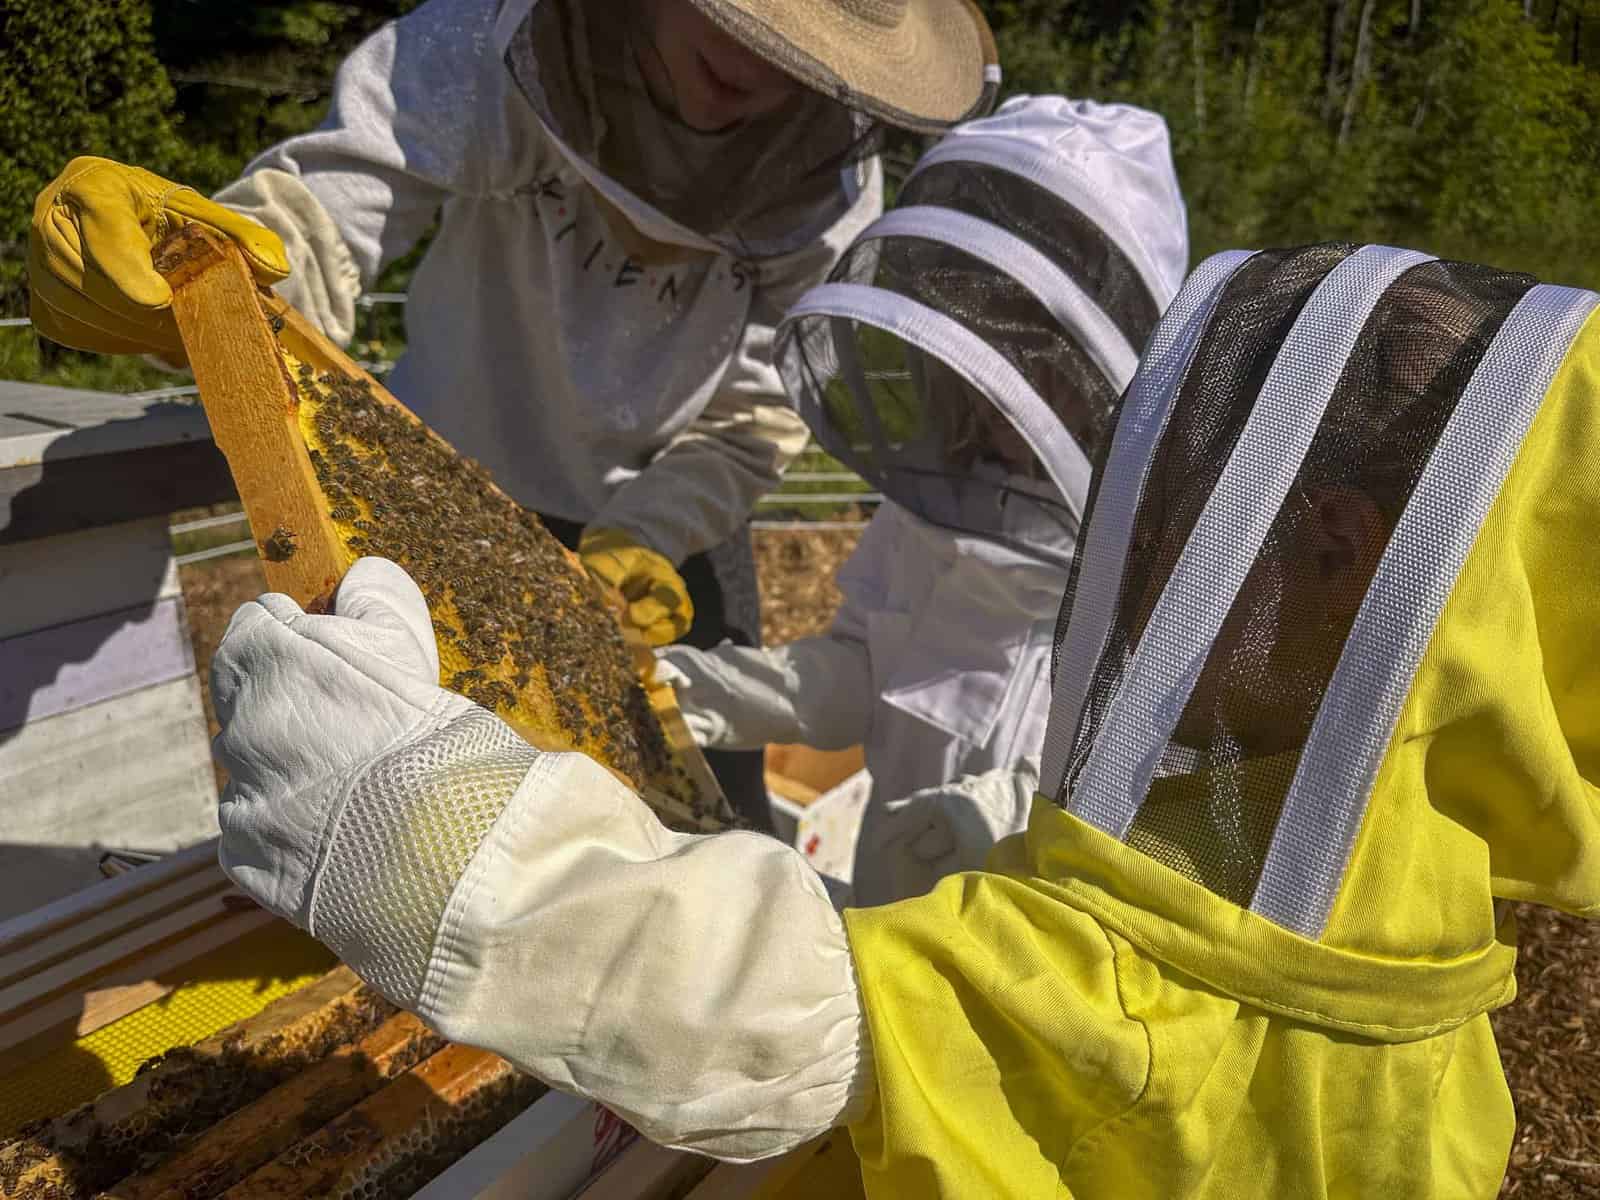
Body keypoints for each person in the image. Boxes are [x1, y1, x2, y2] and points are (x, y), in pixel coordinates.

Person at [204, 242, 1600, 1196]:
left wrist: (405, 817)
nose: (1139, 571)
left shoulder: (1186, 993)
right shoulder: (1420, 943)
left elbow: (758, 1010)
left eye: (1178, 524)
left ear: (1335, 547)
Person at [24, 0, 1000, 827]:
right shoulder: (484, 47)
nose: (765, 59)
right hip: (440, 496)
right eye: (749, 16)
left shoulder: (828, 183)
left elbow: (754, 417)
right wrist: (204, 274)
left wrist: (652, 528)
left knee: (705, 818)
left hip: (667, 539)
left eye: (810, 45)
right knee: (430, 806)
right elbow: (324, 219)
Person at [655, 94, 1189, 903]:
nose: (1005, 373)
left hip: (1024, 935)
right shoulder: (934, 494)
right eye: (989, 325)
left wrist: (1002, 816)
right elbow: (863, 672)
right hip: (887, 902)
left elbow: (1154, 785)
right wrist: (714, 694)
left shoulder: (1153, 559)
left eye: (1035, 341)